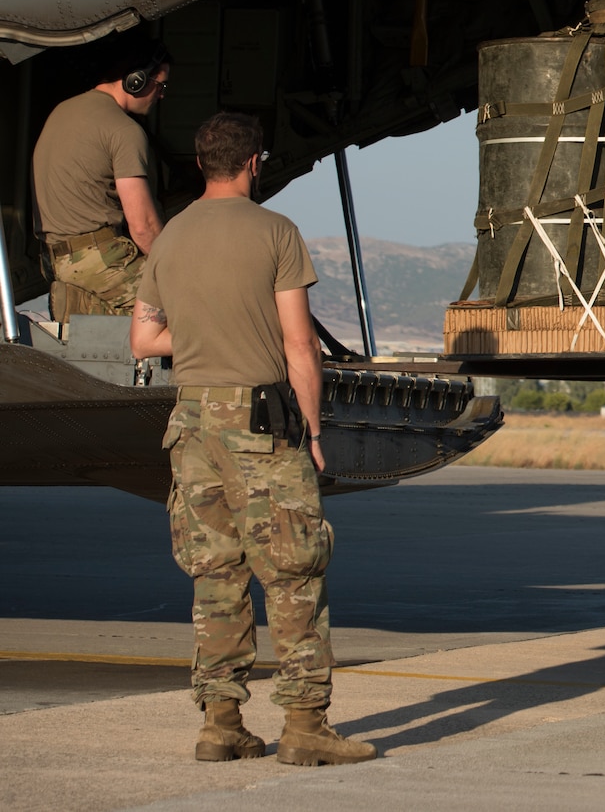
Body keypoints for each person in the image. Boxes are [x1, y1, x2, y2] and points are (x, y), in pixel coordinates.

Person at [129, 112, 376, 767]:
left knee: (215, 574)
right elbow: (300, 345)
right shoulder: (276, 232)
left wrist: (207, 334)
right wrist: (315, 429)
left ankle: (221, 721)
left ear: (204, 161)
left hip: (190, 424)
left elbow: (144, 339)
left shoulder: (171, 238)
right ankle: (304, 724)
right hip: (258, 423)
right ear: (254, 161)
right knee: (294, 569)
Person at [33, 39, 171, 321]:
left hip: (55, 260)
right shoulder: (123, 130)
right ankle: (89, 308)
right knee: (187, 305)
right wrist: (174, 272)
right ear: (136, 80)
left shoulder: (62, 111)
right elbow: (143, 227)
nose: (161, 95)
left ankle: (82, 304)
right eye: (161, 85)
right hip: (100, 259)